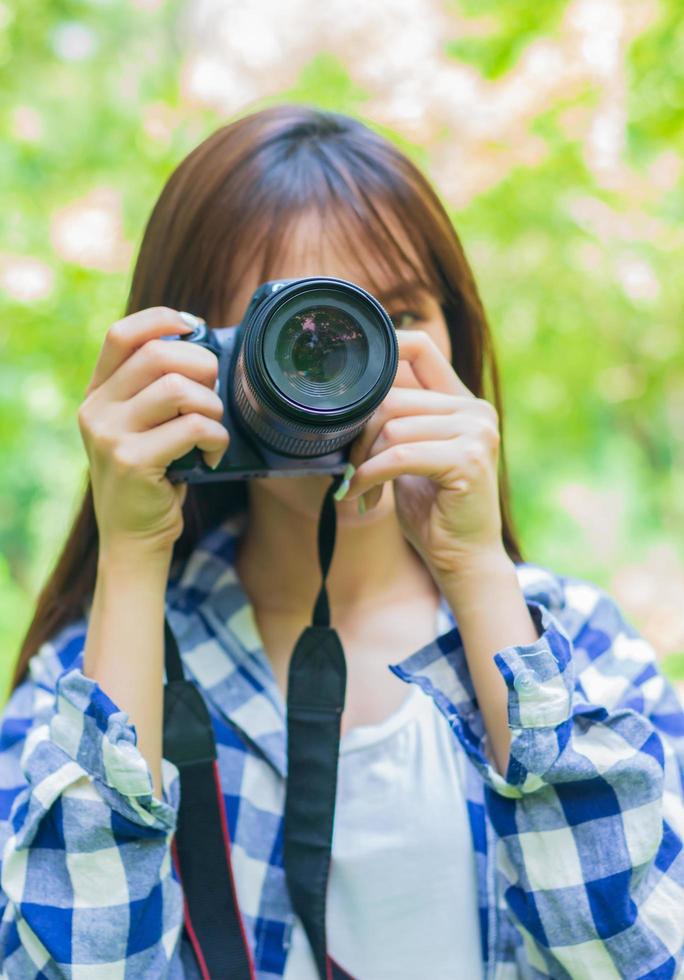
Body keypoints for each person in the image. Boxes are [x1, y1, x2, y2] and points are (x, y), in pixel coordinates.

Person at [0, 103, 682, 980]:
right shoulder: (87, 685)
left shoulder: (577, 647)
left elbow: (641, 963)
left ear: (457, 341)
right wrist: (130, 552)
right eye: (295, 335)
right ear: (190, 361)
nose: (350, 378)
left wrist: (475, 572)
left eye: (393, 318)